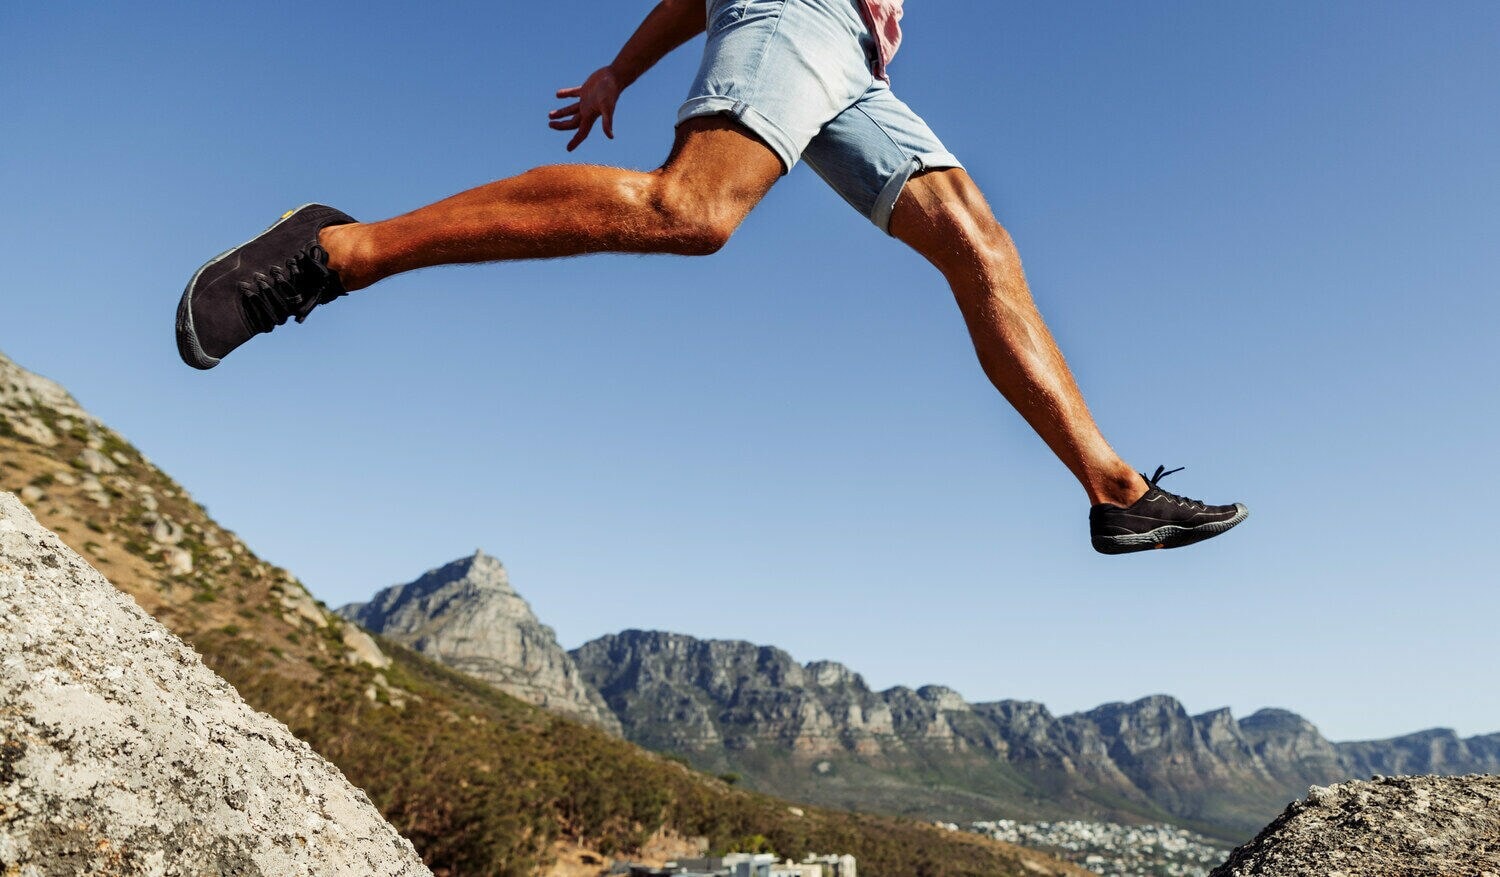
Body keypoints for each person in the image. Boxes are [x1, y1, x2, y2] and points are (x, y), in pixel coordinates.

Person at [175, 0, 1247, 554]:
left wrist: (616, 69)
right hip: (790, 14)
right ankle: (336, 250)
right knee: (692, 210)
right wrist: (625, 66)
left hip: (849, 67)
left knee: (978, 240)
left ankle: (1115, 492)